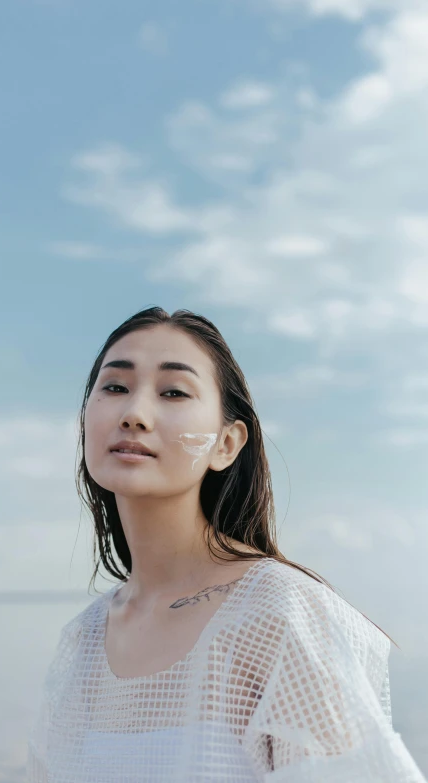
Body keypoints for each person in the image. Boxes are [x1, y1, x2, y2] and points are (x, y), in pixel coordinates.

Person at [26, 306, 426, 782]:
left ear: (227, 444)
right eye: (115, 387)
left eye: (173, 391)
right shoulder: (83, 643)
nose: (134, 414)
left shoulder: (277, 614)